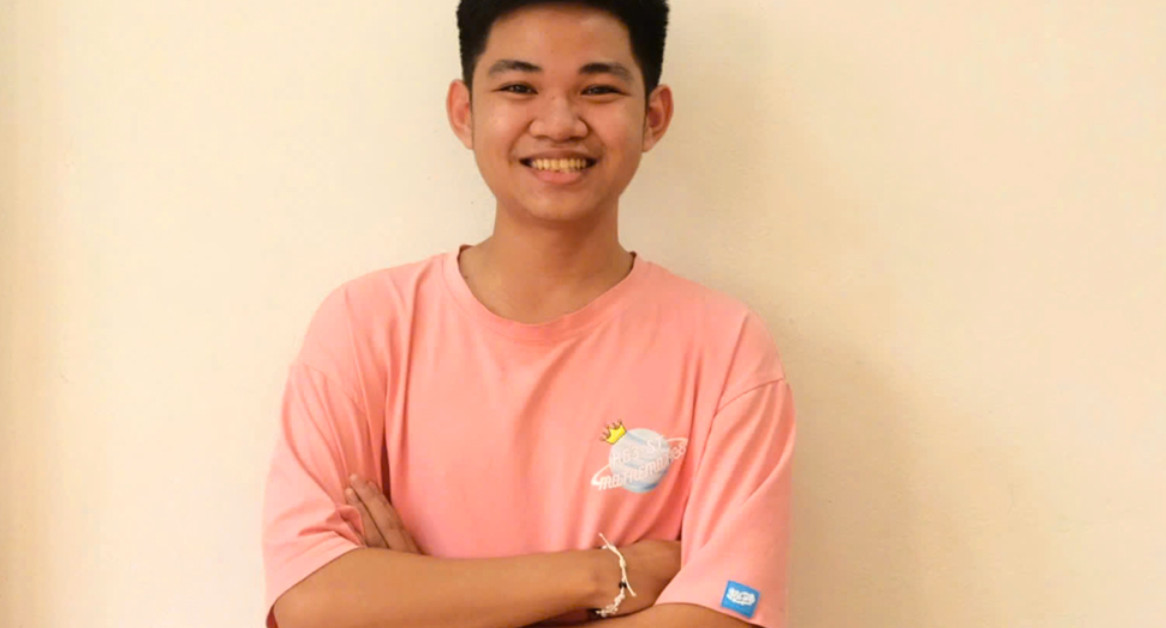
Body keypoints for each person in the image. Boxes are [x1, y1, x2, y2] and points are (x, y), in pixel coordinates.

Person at [261, 1, 797, 627]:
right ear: (465, 112)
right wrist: (604, 575)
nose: (559, 123)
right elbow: (309, 603)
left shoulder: (724, 346)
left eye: (597, 89)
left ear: (653, 117)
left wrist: (420, 604)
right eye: (520, 87)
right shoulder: (367, 325)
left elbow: (723, 621)